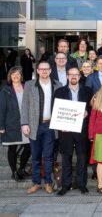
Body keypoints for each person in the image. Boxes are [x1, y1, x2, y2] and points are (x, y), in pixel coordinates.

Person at [21, 60, 63, 194]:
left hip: (50, 126)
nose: (44, 71)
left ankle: (48, 183)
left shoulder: (58, 85)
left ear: (50, 70)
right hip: (34, 126)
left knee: (49, 156)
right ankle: (36, 182)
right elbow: (24, 106)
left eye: (46, 69)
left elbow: (63, 105)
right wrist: (24, 123)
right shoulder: (29, 85)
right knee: (35, 156)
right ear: (37, 71)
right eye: (41, 69)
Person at [55, 67, 92, 196]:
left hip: (82, 129)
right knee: (66, 158)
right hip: (65, 129)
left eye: (76, 74)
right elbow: (56, 109)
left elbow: (93, 109)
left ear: (80, 76)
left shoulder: (87, 91)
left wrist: (87, 112)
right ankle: (66, 185)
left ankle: (82, 185)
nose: (73, 76)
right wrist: (60, 123)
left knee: (82, 158)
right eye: (71, 74)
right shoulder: (59, 91)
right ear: (67, 76)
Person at [0, 67, 31, 181]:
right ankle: (14, 171)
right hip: (11, 124)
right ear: (10, 76)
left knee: (29, 147)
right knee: (12, 148)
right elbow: (1, 109)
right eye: (13, 74)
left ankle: (21, 169)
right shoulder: (5, 90)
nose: (16, 76)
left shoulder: (27, 87)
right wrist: (1, 126)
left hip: (26, 123)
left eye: (18, 74)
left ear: (21, 76)